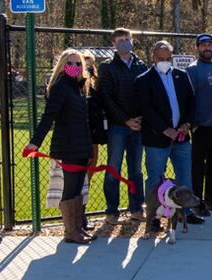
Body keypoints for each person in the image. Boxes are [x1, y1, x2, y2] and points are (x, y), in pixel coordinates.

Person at [26, 49, 94, 244]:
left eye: (78, 64)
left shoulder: (80, 88)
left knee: (78, 189)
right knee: (70, 189)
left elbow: (84, 122)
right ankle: (70, 232)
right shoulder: (60, 87)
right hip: (67, 146)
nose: (74, 67)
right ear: (63, 66)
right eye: (70, 63)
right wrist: (35, 142)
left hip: (81, 147)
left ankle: (78, 228)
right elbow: (49, 117)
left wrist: (89, 148)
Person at [135, 40, 202, 228]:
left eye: (167, 58)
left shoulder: (182, 75)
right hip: (157, 139)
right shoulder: (143, 80)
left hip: (181, 137)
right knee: (155, 178)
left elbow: (191, 102)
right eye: (160, 58)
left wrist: (187, 124)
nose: (164, 61)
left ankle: (186, 213)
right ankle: (154, 217)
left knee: (185, 176)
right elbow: (146, 108)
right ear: (153, 58)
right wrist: (165, 129)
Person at [98, 28, 147, 225]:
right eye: (120, 40)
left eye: (127, 39)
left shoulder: (141, 65)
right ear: (113, 44)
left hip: (138, 127)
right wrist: (125, 120)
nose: (125, 42)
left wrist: (140, 120)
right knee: (114, 168)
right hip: (117, 127)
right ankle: (112, 211)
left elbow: (145, 94)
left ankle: (136, 208)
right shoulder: (107, 67)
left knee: (136, 169)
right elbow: (106, 97)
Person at [186, 34, 212, 216]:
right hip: (201, 126)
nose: (207, 48)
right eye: (203, 45)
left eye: (210, 45)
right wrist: (193, 123)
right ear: (197, 48)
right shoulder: (192, 70)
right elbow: (188, 98)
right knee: (197, 167)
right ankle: (196, 202)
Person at [82, 51, 106, 231]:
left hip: (93, 138)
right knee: (76, 180)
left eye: (91, 65)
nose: (88, 68)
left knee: (87, 178)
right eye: (85, 65)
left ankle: (81, 215)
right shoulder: (73, 85)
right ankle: (74, 219)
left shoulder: (96, 85)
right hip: (77, 139)